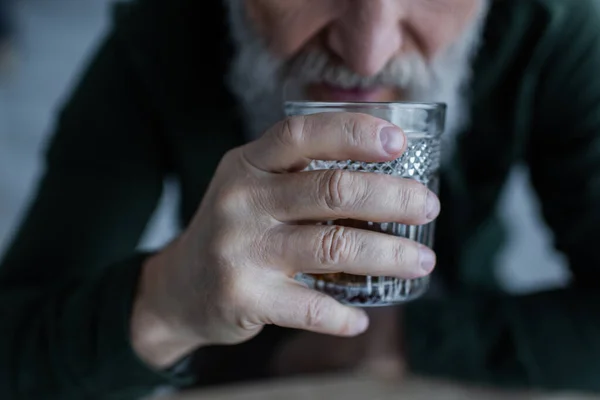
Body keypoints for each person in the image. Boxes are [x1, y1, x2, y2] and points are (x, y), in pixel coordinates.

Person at [1, 0, 600, 398]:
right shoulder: (162, 28)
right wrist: (164, 304)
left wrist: (395, 339)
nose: (366, 56)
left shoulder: (556, 24)